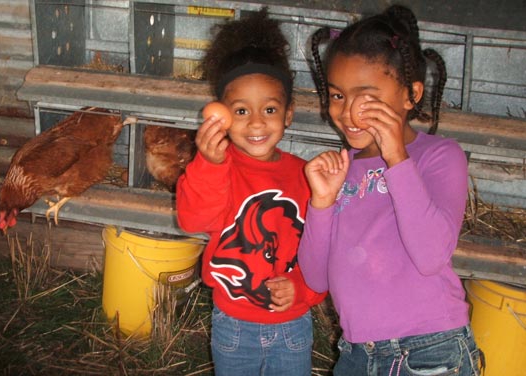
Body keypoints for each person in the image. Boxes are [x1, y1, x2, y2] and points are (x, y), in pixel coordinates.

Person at [298, 5, 481, 376]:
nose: (348, 113)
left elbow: (431, 255)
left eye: (366, 98)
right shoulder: (341, 169)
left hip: (430, 350)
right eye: (337, 96)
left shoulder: (439, 157)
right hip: (355, 354)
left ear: (411, 93)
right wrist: (321, 202)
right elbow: (315, 278)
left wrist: (396, 156)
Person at [176, 8, 326, 376]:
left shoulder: (305, 176)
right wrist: (208, 164)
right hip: (233, 324)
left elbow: (322, 246)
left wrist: (304, 290)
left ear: (288, 114)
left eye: (270, 109)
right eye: (241, 111)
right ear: (221, 116)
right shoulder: (218, 167)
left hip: (293, 324)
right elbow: (193, 218)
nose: (257, 122)